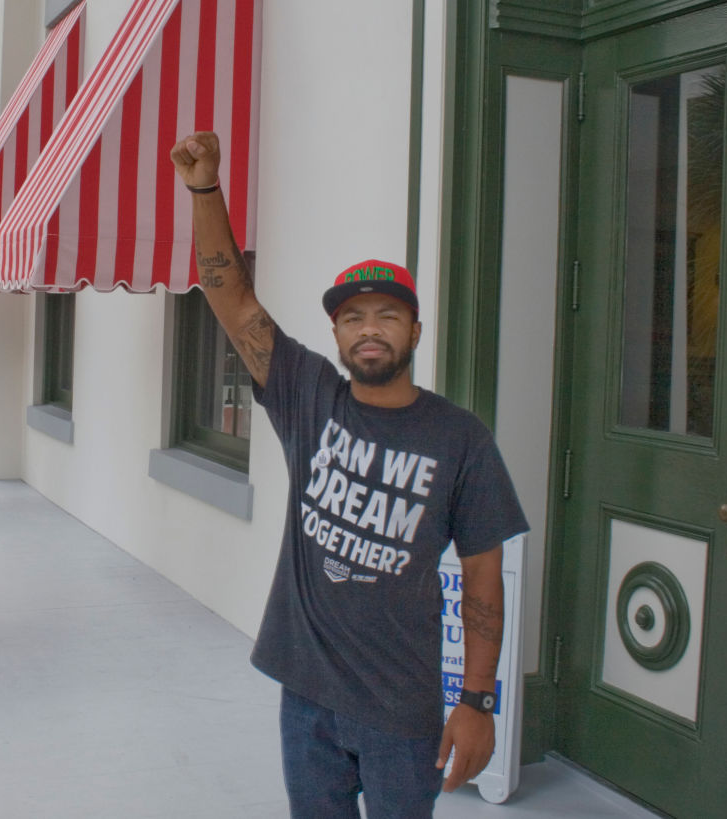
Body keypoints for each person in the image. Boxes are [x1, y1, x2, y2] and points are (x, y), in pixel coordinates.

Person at [170, 131, 528, 818]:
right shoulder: (310, 396)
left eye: (388, 316)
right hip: (304, 697)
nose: (370, 329)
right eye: (353, 317)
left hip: (401, 712)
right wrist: (205, 190)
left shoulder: (461, 439)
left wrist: (477, 702)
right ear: (335, 336)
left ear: (415, 332)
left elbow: (484, 574)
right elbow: (232, 300)